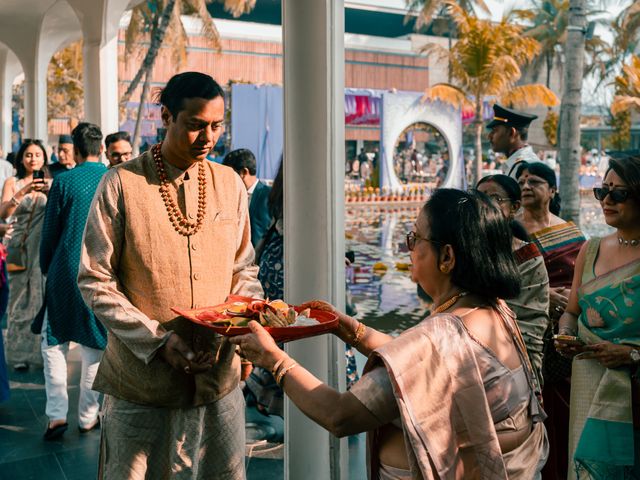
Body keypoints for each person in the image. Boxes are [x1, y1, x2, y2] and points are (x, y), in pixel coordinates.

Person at [233, 189, 549, 479]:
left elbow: (340, 415)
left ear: (447, 257)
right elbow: (414, 363)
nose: (407, 248)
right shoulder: (493, 310)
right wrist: (350, 329)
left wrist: (273, 359)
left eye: (415, 239)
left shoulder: (438, 337)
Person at [78, 72, 263, 479]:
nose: (208, 137)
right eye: (196, 125)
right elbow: (95, 279)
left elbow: (244, 268)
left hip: (219, 383)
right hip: (142, 389)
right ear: (166, 117)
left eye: (216, 126)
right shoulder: (121, 184)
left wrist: (236, 321)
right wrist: (158, 341)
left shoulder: (230, 183)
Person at [556, 156, 640, 479]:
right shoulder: (590, 250)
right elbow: (572, 311)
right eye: (602, 191)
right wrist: (566, 334)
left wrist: (631, 354)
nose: (606, 200)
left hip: (635, 397)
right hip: (591, 385)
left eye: (618, 193)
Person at [515, 161, 586, 480]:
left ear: (552, 190)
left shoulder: (571, 233)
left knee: (564, 413)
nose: (526, 185)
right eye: (522, 181)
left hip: (563, 337)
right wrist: (545, 296)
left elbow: (586, 284)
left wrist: (566, 301)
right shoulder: (511, 233)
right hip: (526, 335)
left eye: (535, 181)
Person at [39, 123, 108, 440]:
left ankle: (56, 417)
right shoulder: (114, 179)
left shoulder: (63, 181)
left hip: (64, 272)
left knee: (54, 344)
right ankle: (87, 416)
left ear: (76, 151)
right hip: (100, 273)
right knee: (95, 346)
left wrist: (46, 267)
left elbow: (49, 232)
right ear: (102, 148)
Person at [477, 174, 550, 388]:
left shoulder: (528, 258)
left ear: (514, 208)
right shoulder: (463, 252)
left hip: (515, 362)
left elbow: (528, 327)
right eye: (479, 198)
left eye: (495, 199)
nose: (484, 205)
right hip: (466, 355)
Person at [0, 139, 50, 371]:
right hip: (17, 246)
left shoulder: (51, 183)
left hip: (40, 246)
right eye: (29, 155)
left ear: (44, 158)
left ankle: (38, 355)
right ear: (21, 158)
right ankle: (17, 354)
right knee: (17, 298)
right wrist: (24, 191)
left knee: (39, 296)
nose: (33, 159)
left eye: (37, 155)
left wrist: (50, 191)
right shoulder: (13, 182)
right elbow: (3, 212)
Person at [223, 148, 271, 247]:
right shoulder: (229, 198)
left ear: (244, 172)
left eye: (229, 175)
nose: (226, 180)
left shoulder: (269, 196)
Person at [487, 104, 540, 177]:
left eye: (495, 131)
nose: (489, 136)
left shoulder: (526, 166)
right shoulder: (516, 163)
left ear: (512, 133)